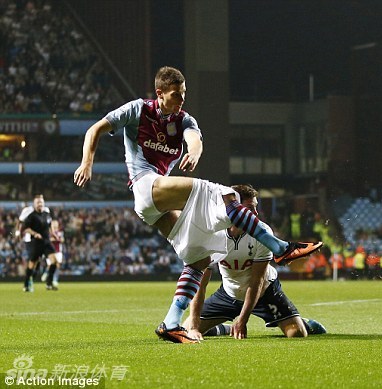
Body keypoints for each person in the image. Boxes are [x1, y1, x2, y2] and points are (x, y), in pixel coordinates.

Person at [73, 66, 322, 343]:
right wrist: (87, 163)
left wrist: (193, 152)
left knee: (199, 258)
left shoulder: (184, 120)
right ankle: (281, 249)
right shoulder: (137, 110)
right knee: (229, 194)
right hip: (146, 186)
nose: (182, 100)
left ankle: (170, 323)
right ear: (160, 93)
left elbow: (195, 140)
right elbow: (95, 129)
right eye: (177, 95)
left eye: (184, 94)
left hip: (157, 207)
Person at [182, 185, 326, 340]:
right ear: (235, 208)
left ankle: (303, 323)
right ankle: (224, 328)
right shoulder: (211, 234)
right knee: (186, 329)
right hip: (229, 292)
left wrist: (243, 320)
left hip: (264, 291)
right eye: (250, 208)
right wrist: (194, 328)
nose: (256, 214)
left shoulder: (262, 233)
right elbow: (200, 284)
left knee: (296, 333)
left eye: (256, 208)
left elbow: (256, 281)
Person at [18, 194, 58, 292]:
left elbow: (49, 224)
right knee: (32, 264)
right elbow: (26, 229)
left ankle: (49, 283)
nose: (40, 204)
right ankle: (26, 284)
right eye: (38, 202)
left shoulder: (46, 213)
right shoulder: (31, 216)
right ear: (34, 204)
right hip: (36, 242)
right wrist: (35, 233)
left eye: (41, 202)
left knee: (54, 261)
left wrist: (53, 233)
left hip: (46, 241)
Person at [41, 219, 63, 290]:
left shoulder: (60, 232)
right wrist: (55, 239)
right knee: (51, 265)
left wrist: (57, 239)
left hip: (58, 251)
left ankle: (55, 280)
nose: (55, 225)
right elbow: (48, 240)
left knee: (58, 265)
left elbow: (62, 239)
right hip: (50, 251)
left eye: (56, 224)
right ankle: (46, 273)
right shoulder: (48, 233)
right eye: (54, 224)